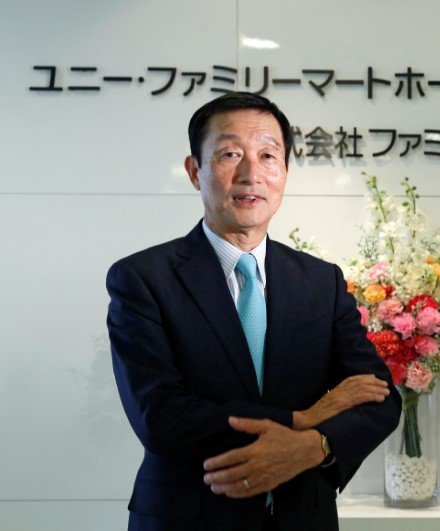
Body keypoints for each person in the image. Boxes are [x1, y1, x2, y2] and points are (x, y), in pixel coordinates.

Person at [107, 92, 401, 531]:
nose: (251, 174)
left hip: (303, 518)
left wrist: (314, 445)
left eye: (268, 155)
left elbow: (378, 397)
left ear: (284, 172)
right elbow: (161, 417)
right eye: (229, 154)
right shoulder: (143, 279)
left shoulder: (321, 281)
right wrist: (301, 419)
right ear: (195, 171)